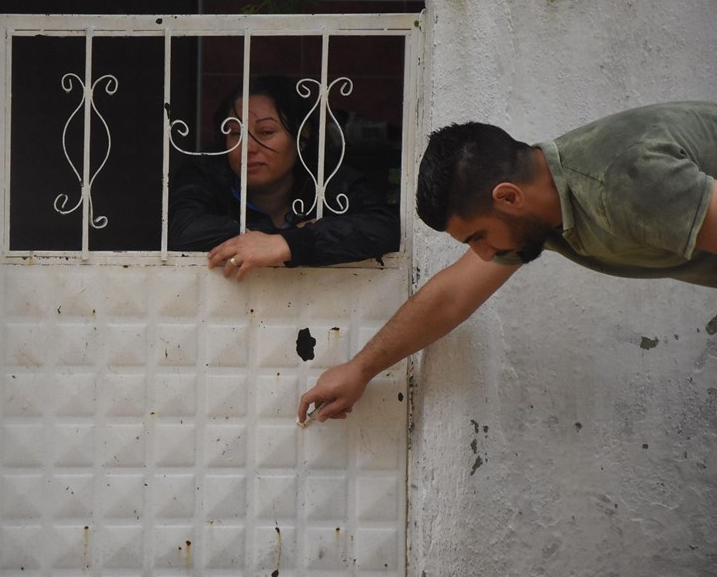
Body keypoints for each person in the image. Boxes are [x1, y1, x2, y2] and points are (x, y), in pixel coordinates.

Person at [298, 100, 717, 423]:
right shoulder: (542, 202)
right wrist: (359, 369)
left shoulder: (623, 182)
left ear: (509, 197)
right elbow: (451, 297)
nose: (482, 253)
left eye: (477, 236)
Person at [168, 75, 400, 278]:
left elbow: (384, 227)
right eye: (236, 133)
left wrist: (287, 244)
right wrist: (288, 237)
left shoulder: (327, 182)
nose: (247, 147)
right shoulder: (205, 176)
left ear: (302, 136)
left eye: (266, 132)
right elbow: (182, 230)